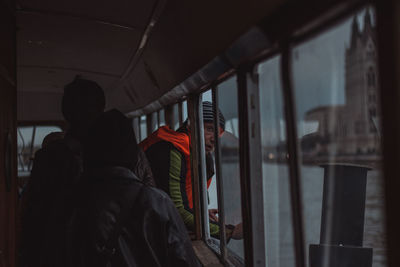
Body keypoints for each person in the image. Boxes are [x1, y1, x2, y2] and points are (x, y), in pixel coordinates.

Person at [68, 109, 200, 267]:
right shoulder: (157, 202)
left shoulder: (73, 200)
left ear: (88, 152)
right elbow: (185, 260)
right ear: (133, 153)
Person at [139, 101, 242, 240]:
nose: (214, 140)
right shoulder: (172, 150)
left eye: (218, 134)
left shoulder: (196, 155)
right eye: (210, 129)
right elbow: (178, 210)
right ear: (191, 126)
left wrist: (200, 214)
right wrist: (229, 232)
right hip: (144, 230)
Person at [61, 76, 155, 186]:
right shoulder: (129, 149)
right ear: (101, 107)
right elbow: (149, 189)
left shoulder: (55, 156)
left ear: (66, 113)